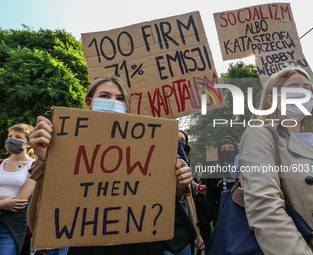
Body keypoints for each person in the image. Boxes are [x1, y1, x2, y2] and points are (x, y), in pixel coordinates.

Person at [28, 76, 193, 255]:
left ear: (127, 106)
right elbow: (37, 221)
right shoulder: (64, 143)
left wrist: (176, 184)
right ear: (88, 102)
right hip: (89, 248)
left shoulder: (148, 146)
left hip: (140, 246)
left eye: (120, 99)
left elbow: (160, 209)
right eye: (105, 96)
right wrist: (48, 160)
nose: (113, 102)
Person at [239, 67, 313, 255]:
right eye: (293, 87)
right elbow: (265, 210)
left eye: (306, 88)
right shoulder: (261, 135)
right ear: (271, 100)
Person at [0, 123, 36, 255]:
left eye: (18, 137)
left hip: (13, 222)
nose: (11, 139)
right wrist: (3, 203)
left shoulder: (34, 165)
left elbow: (22, 200)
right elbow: (13, 200)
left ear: (29, 144)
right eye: (10, 136)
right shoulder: (0, 163)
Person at [205, 136, 239, 226]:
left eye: (230, 148)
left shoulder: (244, 170)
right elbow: (209, 201)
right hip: (222, 220)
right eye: (224, 149)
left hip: (243, 218)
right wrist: (218, 217)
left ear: (235, 150)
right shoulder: (214, 173)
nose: (227, 151)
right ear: (219, 152)